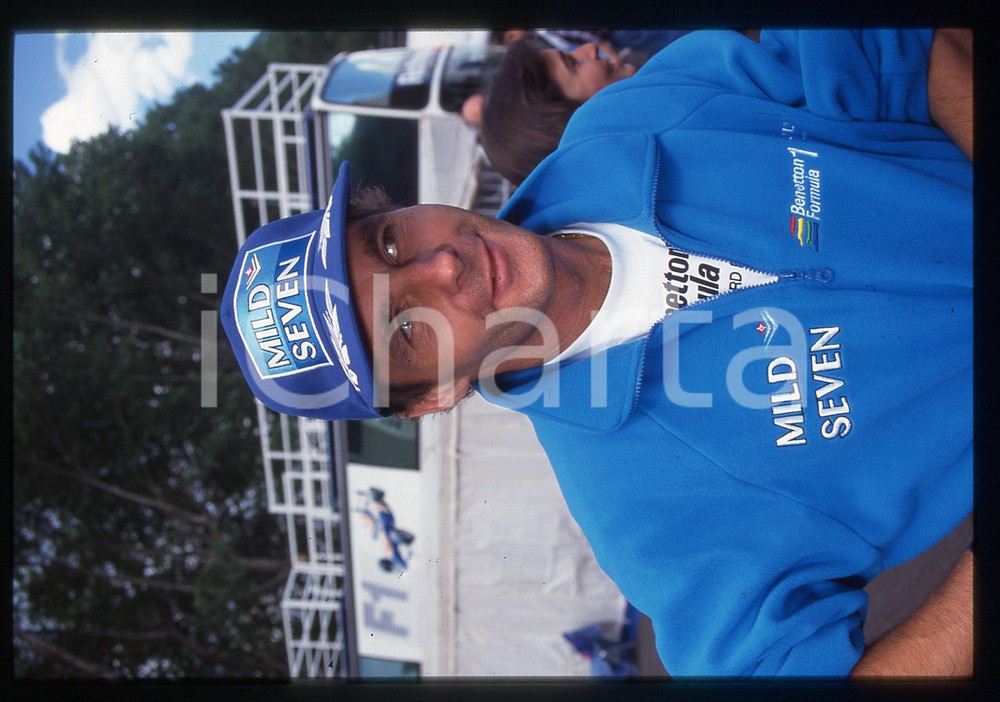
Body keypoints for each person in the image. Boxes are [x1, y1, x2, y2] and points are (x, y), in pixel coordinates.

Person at [220, 28, 972, 677]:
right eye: (406, 329)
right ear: (433, 397)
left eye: (389, 241)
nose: (440, 268)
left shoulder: (631, 118)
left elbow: (889, 49)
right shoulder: (643, 517)